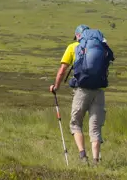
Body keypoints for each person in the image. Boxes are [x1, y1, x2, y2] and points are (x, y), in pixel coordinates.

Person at [49, 24, 115, 165]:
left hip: (82, 90)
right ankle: (96, 160)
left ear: (78, 36)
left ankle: (83, 157)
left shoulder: (73, 47)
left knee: (76, 123)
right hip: (99, 91)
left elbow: (62, 71)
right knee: (95, 127)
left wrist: (56, 87)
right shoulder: (100, 46)